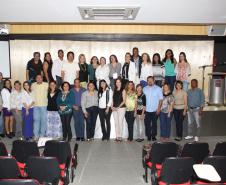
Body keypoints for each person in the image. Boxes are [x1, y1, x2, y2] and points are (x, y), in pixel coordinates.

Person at [143, 76, 163, 141]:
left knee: (154, 124)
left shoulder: (158, 89)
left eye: (151, 80)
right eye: (148, 80)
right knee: (147, 124)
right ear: (147, 81)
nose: (150, 81)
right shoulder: (144, 89)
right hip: (147, 110)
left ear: (154, 81)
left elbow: (161, 99)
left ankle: (153, 136)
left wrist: (159, 109)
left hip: (155, 110)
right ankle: (148, 136)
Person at [31, 75, 48, 140]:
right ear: (35, 78)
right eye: (37, 77)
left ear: (42, 78)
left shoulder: (46, 84)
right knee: (36, 120)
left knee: (43, 120)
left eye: (40, 77)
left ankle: (42, 135)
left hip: (44, 105)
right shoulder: (33, 85)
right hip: (35, 105)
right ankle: (36, 135)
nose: (39, 79)